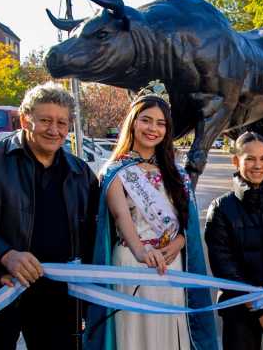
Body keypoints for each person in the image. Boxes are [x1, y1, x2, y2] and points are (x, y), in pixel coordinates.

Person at [0, 82, 100, 349]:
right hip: (1, 286)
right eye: (45, 120)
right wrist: (5, 255)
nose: (54, 130)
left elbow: (95, 231)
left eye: (62, 123)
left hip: (59, 295)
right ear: (25, 120)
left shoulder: (80, 173)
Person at [86, 81, 218, 350]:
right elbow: (122, 219)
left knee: (169, 336)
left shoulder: (176, 173)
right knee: (135, 337)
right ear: (133, 123)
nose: (153, 129)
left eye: (161, 123)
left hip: (171, 267)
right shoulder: (115, 171)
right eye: (146, 120)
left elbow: (186, 227)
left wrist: (180, 242)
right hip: (135, 264)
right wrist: (143, 253)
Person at [205, 132, 263, 350]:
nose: (258, 165)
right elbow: (223, 266)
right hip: (240, 308)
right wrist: (260, 308)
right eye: (250, 158)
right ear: (236, 161)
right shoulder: (221, 209)